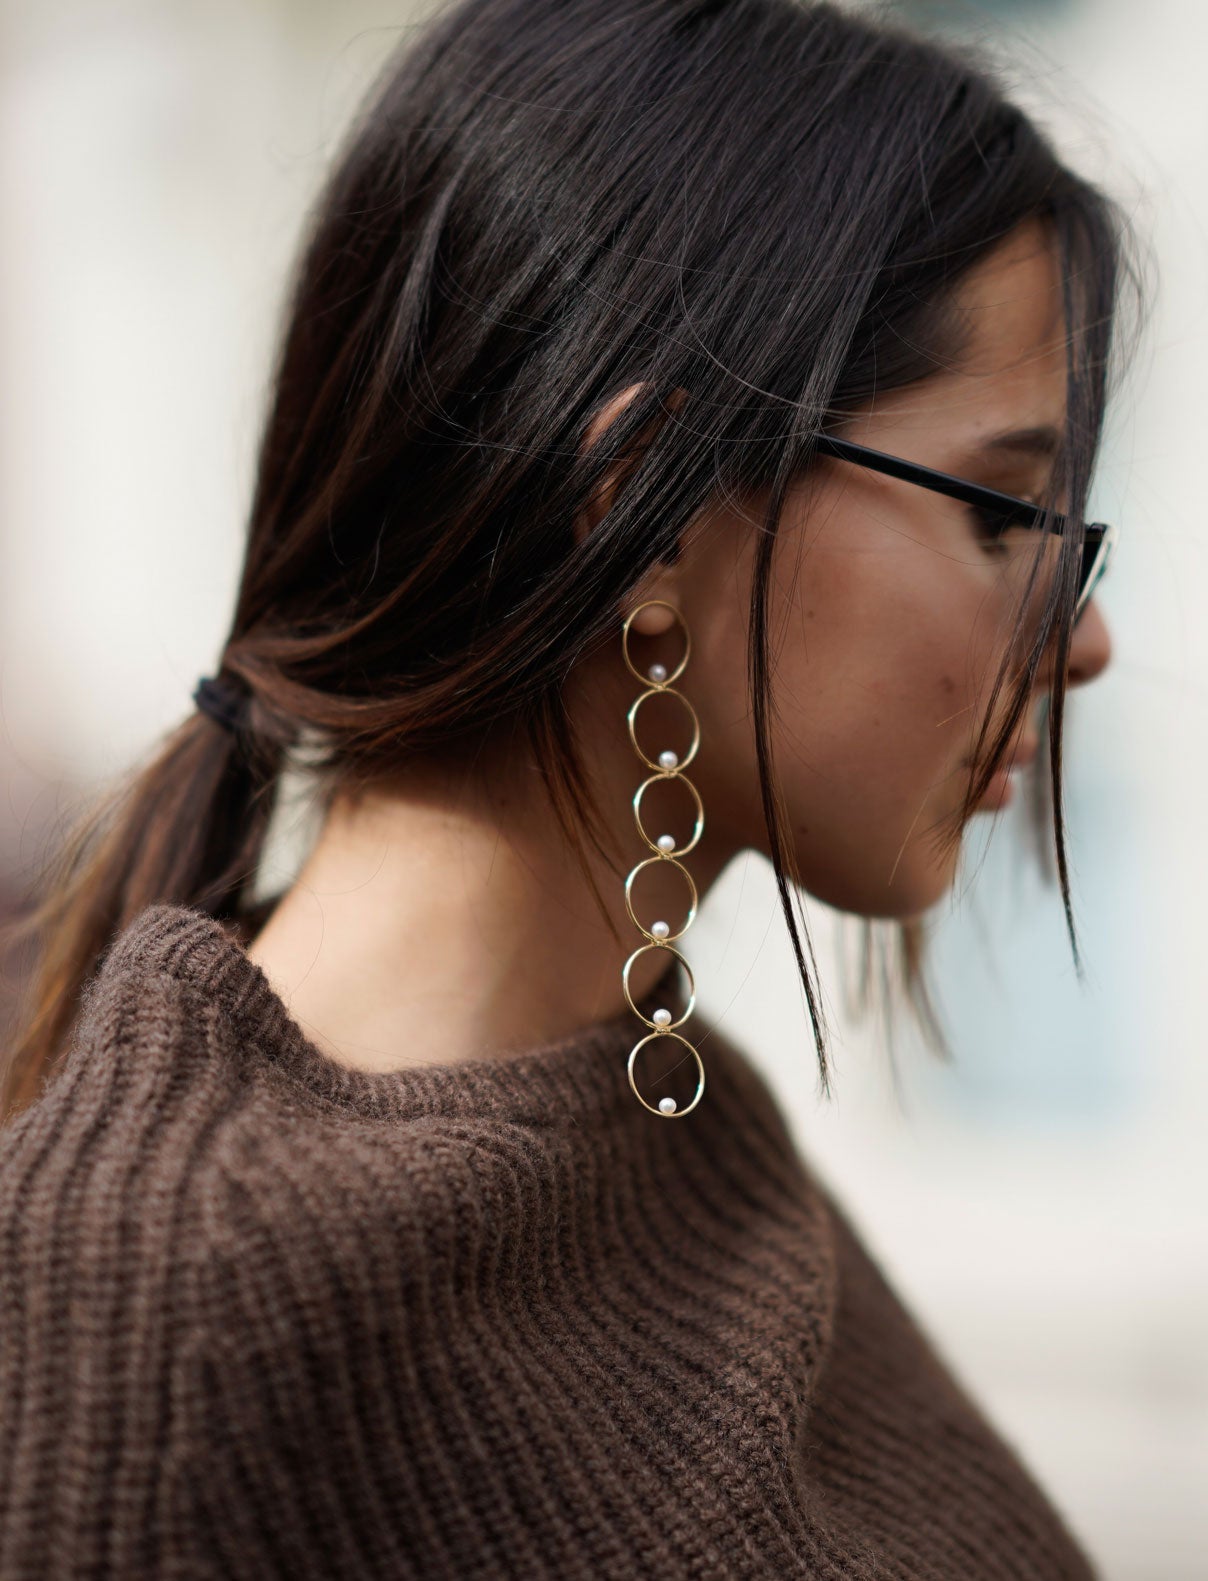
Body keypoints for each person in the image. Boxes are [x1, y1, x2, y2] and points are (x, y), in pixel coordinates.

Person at [0, 0, 1134, 1574]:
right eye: (1006, 516)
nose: (1081, 640)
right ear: (646, 513)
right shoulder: (155, 1308)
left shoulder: (678, 1133)